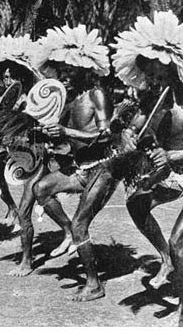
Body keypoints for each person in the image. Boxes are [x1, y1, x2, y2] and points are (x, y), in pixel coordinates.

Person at [110, 10, 183, 326]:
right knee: (135, 203)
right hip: (172, 173)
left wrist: (173, 156)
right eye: (152, 76)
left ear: (176, 71)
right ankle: (165, 259)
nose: (156, 82)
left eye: (162, 76)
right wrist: (125, 137)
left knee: (179, 242)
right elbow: (130, 130)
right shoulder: (149, 101)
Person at [8, 24, 112, 277]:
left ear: (85, 68)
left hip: (103, 168)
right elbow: (61, 137)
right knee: (40, 188)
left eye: (70, 70)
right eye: (61, 70)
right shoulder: (71, 99)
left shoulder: (96, 95)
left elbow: (106, 137)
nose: (64, 75)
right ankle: (67, 232)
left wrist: (66, 133)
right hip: (80, 169)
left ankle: (93, 282)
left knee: (80, 226)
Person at [0, 35, 41, 229]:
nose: (7, 79)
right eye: (4, 76)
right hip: (13, 149)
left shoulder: (32, 97)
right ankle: (11, 208)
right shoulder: (1, 100)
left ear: (22, 76)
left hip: (34, 150)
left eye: (12, 75)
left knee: (40, 191)